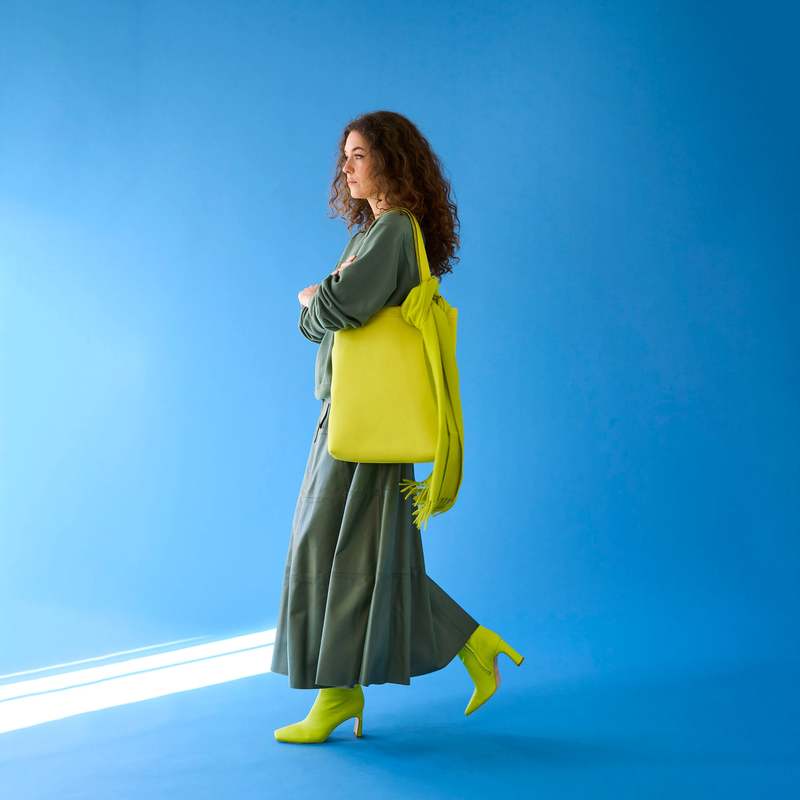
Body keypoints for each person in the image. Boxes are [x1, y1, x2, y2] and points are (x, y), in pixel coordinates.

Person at [271, 111, 524, 744]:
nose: (347, 167)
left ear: (391, 160)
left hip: (365, 423)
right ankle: (462, 648)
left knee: (331, 550)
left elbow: (333, 307)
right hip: (355, 416)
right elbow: (328, 318)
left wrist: (313, 298)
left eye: (359, 155)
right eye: (346, 156)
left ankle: (341, 694)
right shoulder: (373, 233)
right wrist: (321, 306)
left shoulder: (391, 232)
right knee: (360, 555)